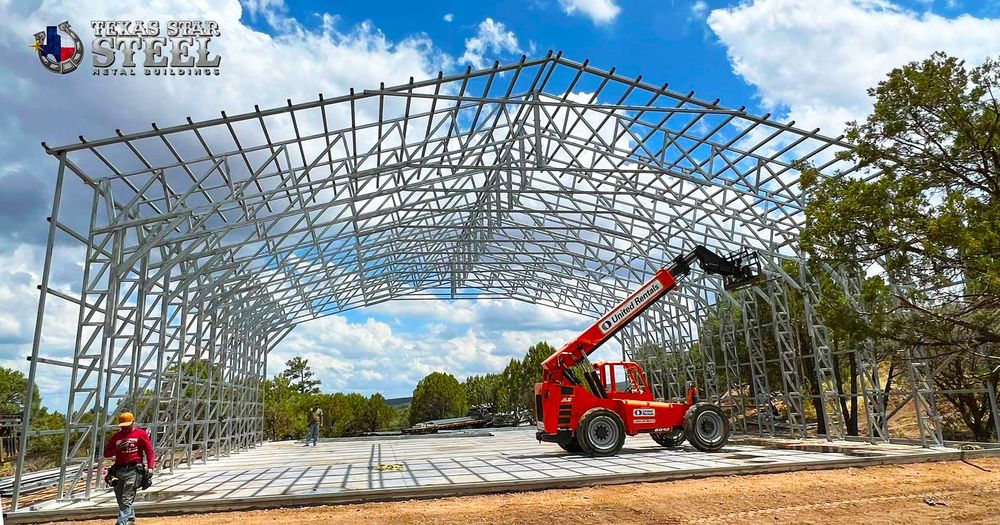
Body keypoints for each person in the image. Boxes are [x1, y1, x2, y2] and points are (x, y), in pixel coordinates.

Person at [103, 412, 155, 525]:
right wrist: (117, 449)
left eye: (127, 425)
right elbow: (106, 453)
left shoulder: (140, 434)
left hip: (134, 469)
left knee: (127, 499)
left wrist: (151, 467)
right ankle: (130, 520)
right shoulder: (117, 437)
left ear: (133, 422)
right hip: (118, 470)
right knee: (121, 499)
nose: (125, 428)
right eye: (123, 426)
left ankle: (121, 523)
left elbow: (149, 451)